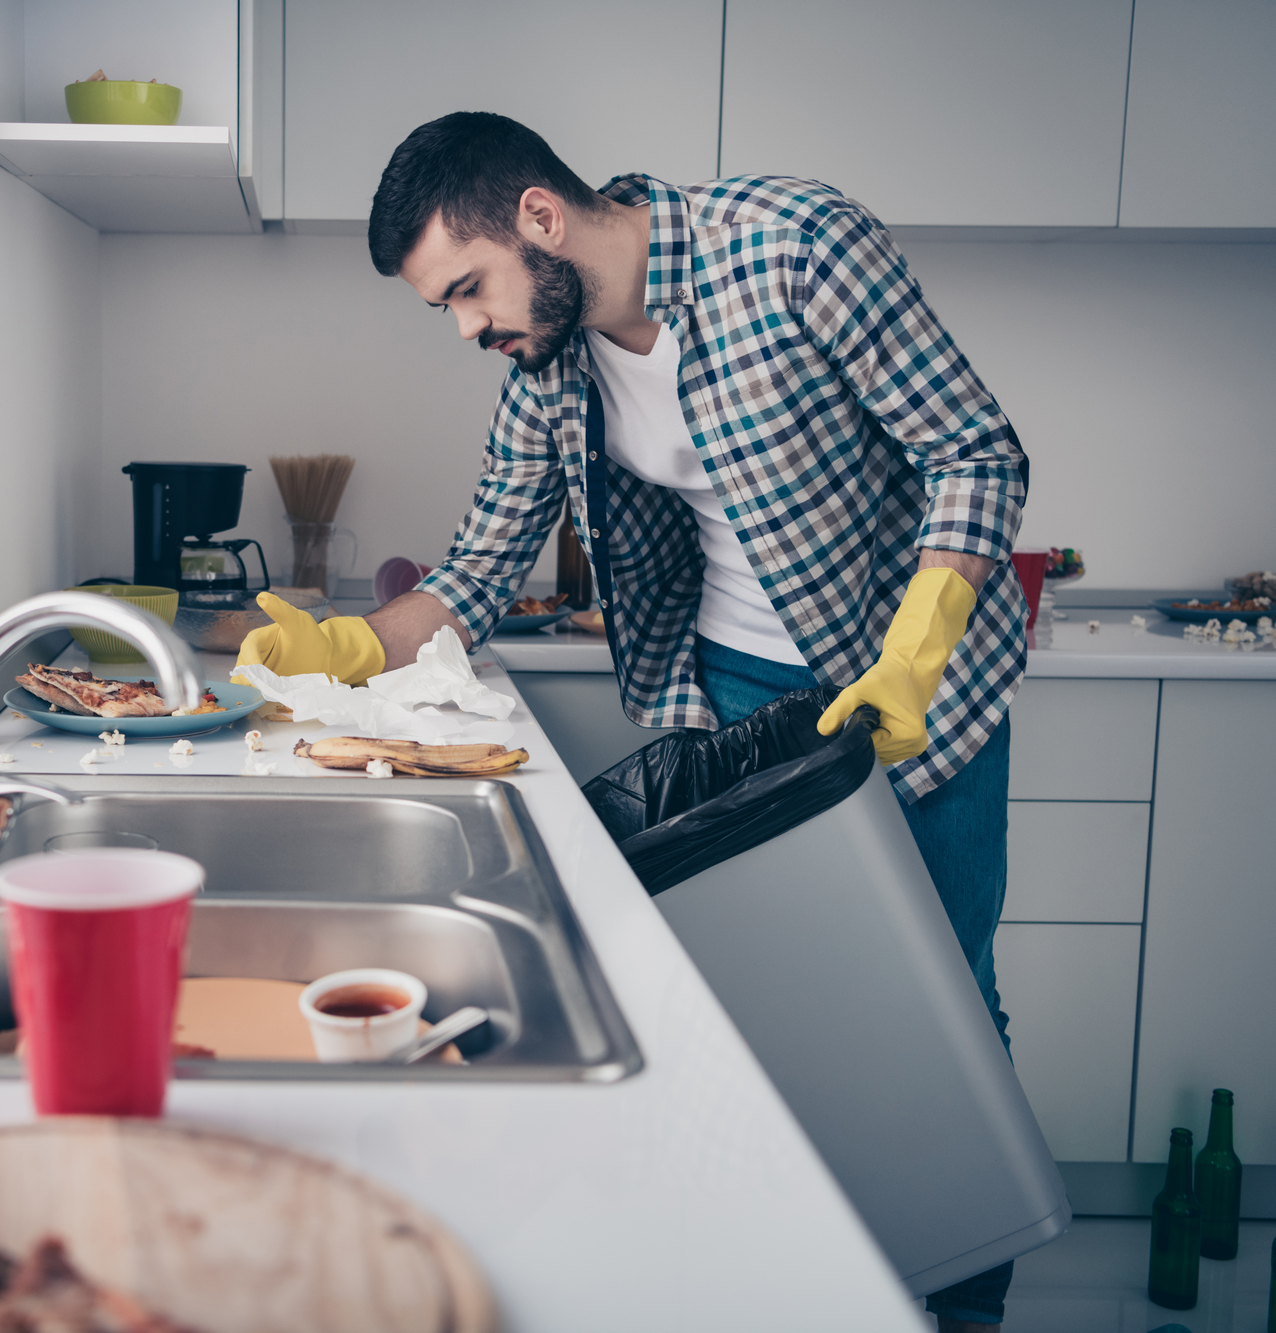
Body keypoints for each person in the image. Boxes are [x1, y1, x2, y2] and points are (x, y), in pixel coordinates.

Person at [235, 112, 1030, 1330]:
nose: (468, 327)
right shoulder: (547, 365)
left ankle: (963, 1291)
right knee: (780, 1006)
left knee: (947, 1003)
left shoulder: (795, 247)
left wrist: (915, 652)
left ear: (539, 220)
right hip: (735, 700)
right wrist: (332, 648)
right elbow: (475, 575)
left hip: (909, 698)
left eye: (466, 288)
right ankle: (815, 1285)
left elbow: (973, 453)